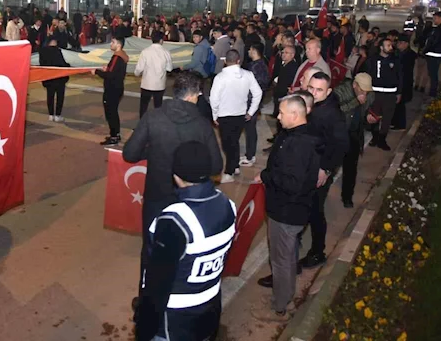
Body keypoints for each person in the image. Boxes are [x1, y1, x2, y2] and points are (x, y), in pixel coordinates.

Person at [123, 72, 224, 313]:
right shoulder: (202, 124)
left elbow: (130, 153)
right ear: (193, 95)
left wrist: (153, 151)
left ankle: (146, 300)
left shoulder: (154, 117)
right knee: (185, 249)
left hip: (156, 196)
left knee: (151, 249)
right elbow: (216, 166)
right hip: (189, 200)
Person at [133, 141, 236, 341]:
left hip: (173, 323)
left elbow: (157, 284)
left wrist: (144, 328)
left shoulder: (174, 220)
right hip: (209, 312)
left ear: (176, 175)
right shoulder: (228, 205)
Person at [252, 95, 321, 322]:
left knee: (281, 261)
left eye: (281, 113)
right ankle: (286, 296)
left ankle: (279, 306)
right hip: (291, 209)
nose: (278, 116)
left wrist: (267, 176)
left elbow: (292, 183)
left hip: (286, 212)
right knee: (288, 257)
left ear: (295, 114)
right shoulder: (297, 136)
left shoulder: (298, 145)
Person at [301, 71, 348, 268]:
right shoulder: (311, 104)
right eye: (311, 88)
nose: (314, 93)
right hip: (307, 166)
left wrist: (326, 169)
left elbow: (341, 145)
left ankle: (317, 252)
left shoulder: (332, 114)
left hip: (320, 170)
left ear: (328, 92)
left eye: (319, 90)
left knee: (315, 210)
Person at [209, 49, 263, 183]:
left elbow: (214, 99)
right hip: (241, 114)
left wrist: (214, 115)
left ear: (225, 61)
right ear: (238, 61)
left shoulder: (220, 77)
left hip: (224, 115)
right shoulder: (248, 75)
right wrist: (251, 111)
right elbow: (258, 93)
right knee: (234, 141)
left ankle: (229, 172)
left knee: (228, 144)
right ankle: (235, 166)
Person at [333, 73, 376, 208]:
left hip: (355, 134)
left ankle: (347, 197)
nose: (365, 93)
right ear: (354, 85)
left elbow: (368, 110)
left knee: (351, 168)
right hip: (339, 134)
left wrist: (369, 118)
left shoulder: (370, 95)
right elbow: (336, 111)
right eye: (362, 90)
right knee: (332, 167)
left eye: (367, 91)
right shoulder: (340, 91)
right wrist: (356, 101)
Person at [367, 37, 401, 151]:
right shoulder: (373, 59)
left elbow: (400, 77)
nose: (390, 47)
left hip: (390, 94)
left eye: (391, 45)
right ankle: (375, 137)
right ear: (381, 47)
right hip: (375, 93)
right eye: (388, 45)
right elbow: (368, 75)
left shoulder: (395, 60)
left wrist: (399, 92)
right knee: (374, 116)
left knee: (387, 118)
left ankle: (382, 139)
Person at [95, 36, 128, 146]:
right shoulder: (122, 56)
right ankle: (115, 134)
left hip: (112, 89)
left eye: (113, 42)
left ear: (119, 44)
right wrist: (107, 69)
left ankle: (114, 137)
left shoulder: (117, 57)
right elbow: (114, 71)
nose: (111, 44)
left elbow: (110, 75)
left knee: (111, 113)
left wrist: (97, 72)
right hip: (117, 88)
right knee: (113, 112)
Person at [135, 31, 173, 117]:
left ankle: (142, 122)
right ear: (161, 40)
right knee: (158, 105)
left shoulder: (145, 51)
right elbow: (169, 68)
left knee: (144, 105)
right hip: (159, 84)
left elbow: (139, 68)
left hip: (147, 83)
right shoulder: (166, 52)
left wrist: (136, 74)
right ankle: (157, 122)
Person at [39, 37, 71, 122]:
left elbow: (42, 64)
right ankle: (57, 115)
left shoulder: (42, 51)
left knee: (50, 96)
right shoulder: (57, 51)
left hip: (48, 78)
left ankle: (50, 115)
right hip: (59, 78)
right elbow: (61, 63)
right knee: (60, 97)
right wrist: (69, 66)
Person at [392, 35, 416, 131]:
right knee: (396, 103)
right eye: (398, 42)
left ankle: (400, 124)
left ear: (406, 44)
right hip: (399, 81)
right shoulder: (398, 53)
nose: (398, 44)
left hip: (404, 82)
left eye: (400, 43)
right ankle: (394, 122)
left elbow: (404, 71)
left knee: (400, 104)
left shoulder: (409, 55)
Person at [421, 11, 441, 97]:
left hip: (434, 55)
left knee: (433, 75)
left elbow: (433, 42)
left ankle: (432, 93)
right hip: (436, 54)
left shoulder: (439, 30)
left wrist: (425, 50)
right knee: (433, 75)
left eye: (435, 18)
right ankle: (432, 92)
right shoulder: (440, 29)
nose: (434, 20)